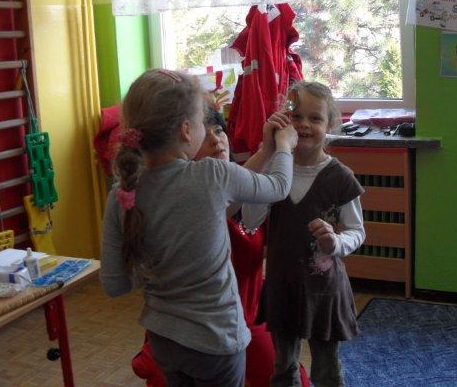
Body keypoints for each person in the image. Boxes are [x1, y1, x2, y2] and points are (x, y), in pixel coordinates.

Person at [100, 69, 297, 387]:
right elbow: (278, 186)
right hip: (215, 341)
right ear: (186, 130)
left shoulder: (121, 195)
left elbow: (115, 285)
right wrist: (284, 146)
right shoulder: (212, 175)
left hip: (163, 340)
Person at [242, 81, 366, 387]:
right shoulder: (275, 169)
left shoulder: (340, 176)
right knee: (284, 366)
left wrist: (335, 242)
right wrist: (268, 157)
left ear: (330, 124)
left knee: (327, 369)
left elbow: (356, 231)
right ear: (284, 120)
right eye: (296, 116)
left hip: (324, 291)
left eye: (315, 118)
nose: (305, 125)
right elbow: (250, 220)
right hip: (282, 286)